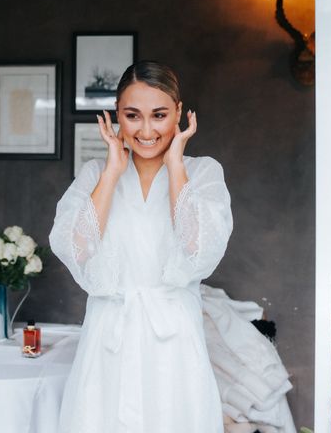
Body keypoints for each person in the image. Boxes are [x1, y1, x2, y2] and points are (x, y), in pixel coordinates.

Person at [49, 60, 233, 432]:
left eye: (159, 115)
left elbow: (197, 248)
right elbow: (75, 248)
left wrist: (176, 164)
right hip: (108, 339)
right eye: (133, 115)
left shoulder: (203, 173)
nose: (146, 130)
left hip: (174, 342)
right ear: (117, 115)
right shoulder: (94, 177)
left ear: (179, 113)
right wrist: (112, 172)